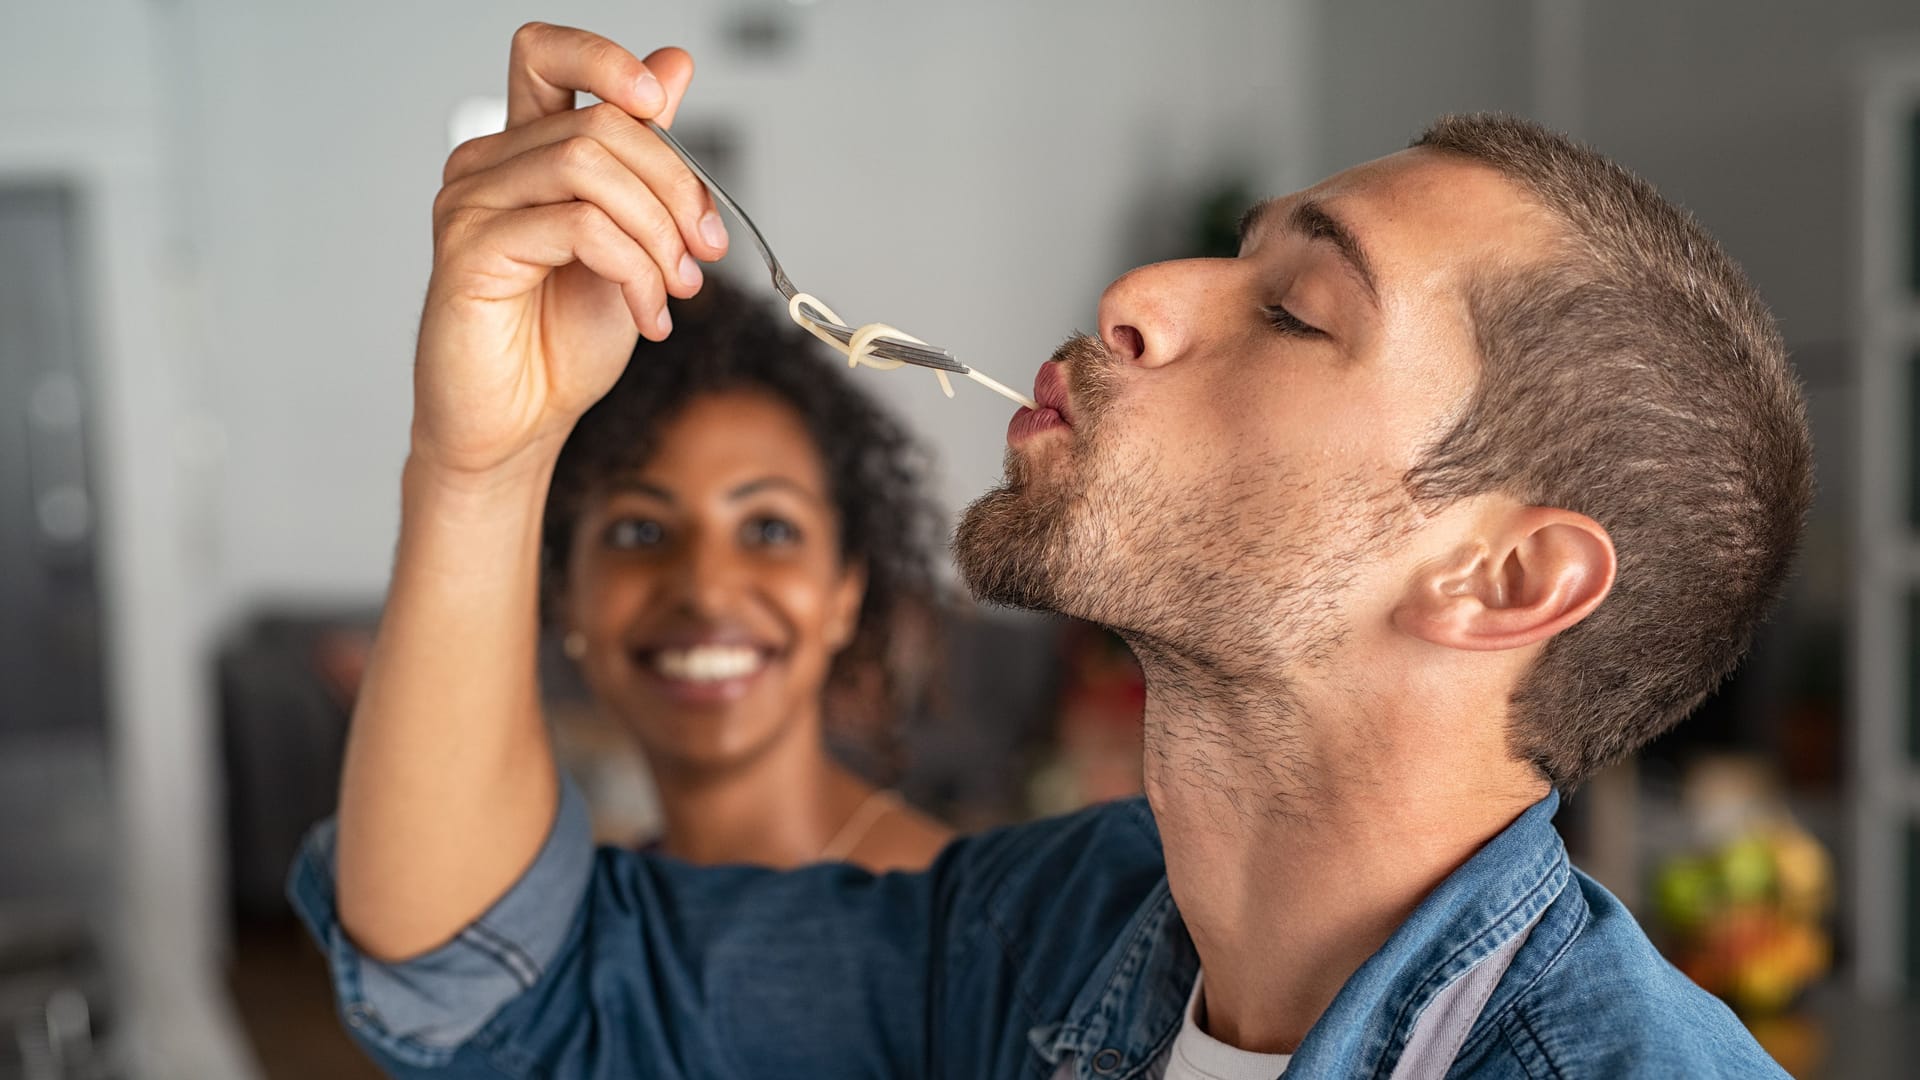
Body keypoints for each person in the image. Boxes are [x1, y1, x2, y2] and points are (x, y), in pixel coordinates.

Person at [291, 22, 1807, 1079]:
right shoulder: (1048, 940)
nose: (1142, 288)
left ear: (1505, 579)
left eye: (1295, 312)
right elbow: (491, 984)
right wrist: (486, 459)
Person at [541, 277, 953, 871]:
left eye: (769, 530)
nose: (706, 593)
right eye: (641, 531)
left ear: (846, 591)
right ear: (566, 593)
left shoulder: (959, 925)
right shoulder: (573, 913)